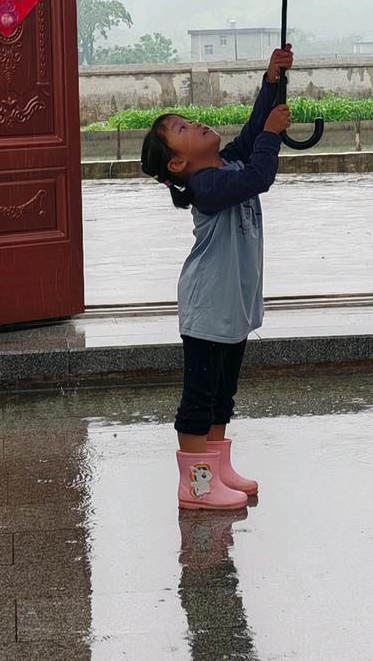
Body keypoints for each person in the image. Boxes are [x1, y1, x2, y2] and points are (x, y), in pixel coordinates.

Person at [141, 45, 294, 510]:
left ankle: (218, 468)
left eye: (190, 120)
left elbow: (250, 140)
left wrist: (271, 82)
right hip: (208, 308)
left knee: (223, 393)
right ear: (177, 165)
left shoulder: (223, 164)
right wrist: (271, 135)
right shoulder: (206, 187)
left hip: (231, 306)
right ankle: (197, 485)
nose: (196, 124)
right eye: (183, 129)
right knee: (199, 396)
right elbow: (259, 175)